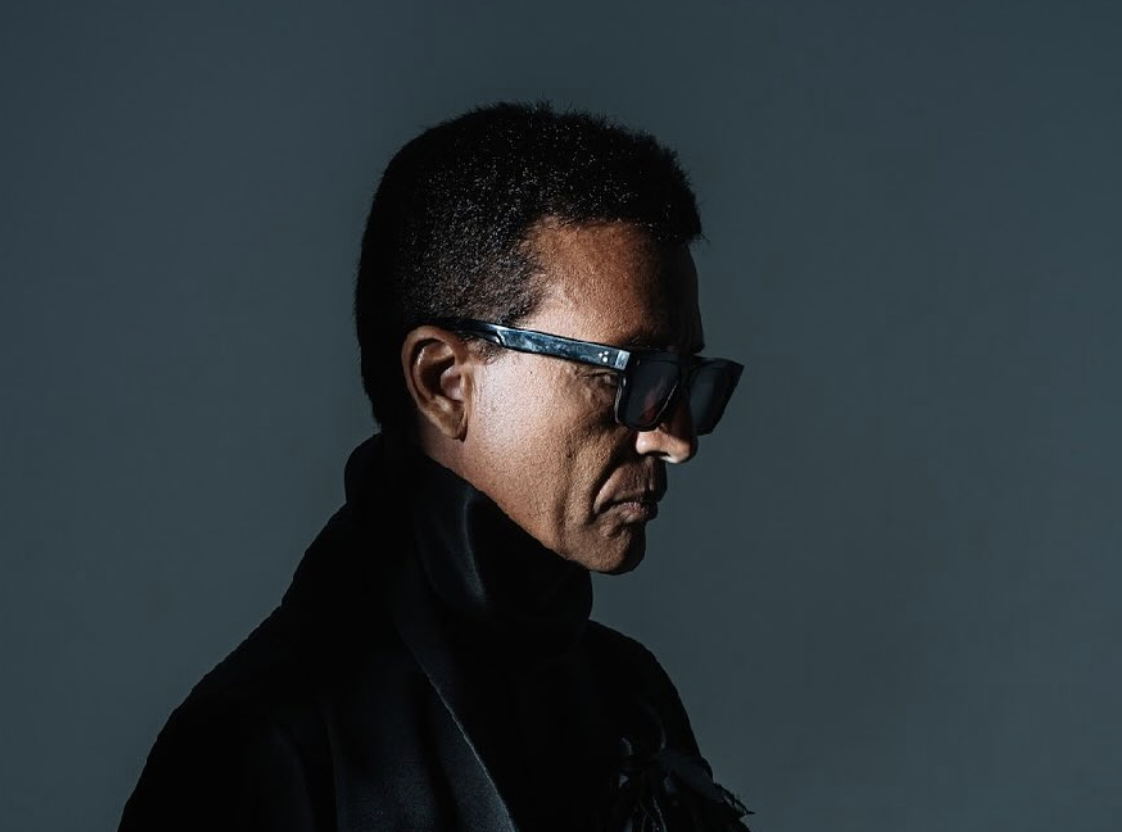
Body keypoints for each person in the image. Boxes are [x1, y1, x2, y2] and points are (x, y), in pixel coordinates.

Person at [118, 102, 750, 832]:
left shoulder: (633, 699)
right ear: (444, 381)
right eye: (630, 374)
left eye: (686, 381)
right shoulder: (257, 751)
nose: (675, 439)